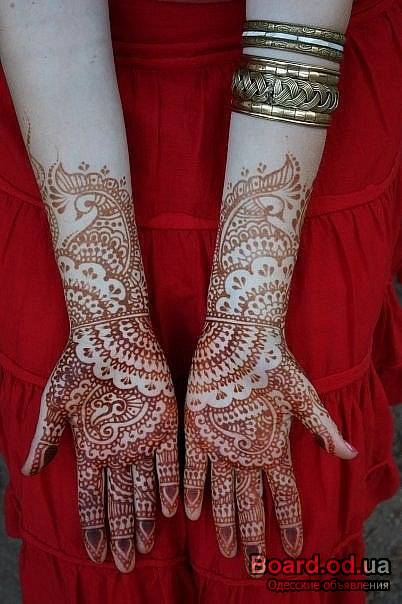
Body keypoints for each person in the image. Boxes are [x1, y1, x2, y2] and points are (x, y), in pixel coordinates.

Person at [0, 0, 400, 602]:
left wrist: (249, 314)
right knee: (100, 507)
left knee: (275, 509)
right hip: (57, 108)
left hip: (301, 100)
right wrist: (105, 315)